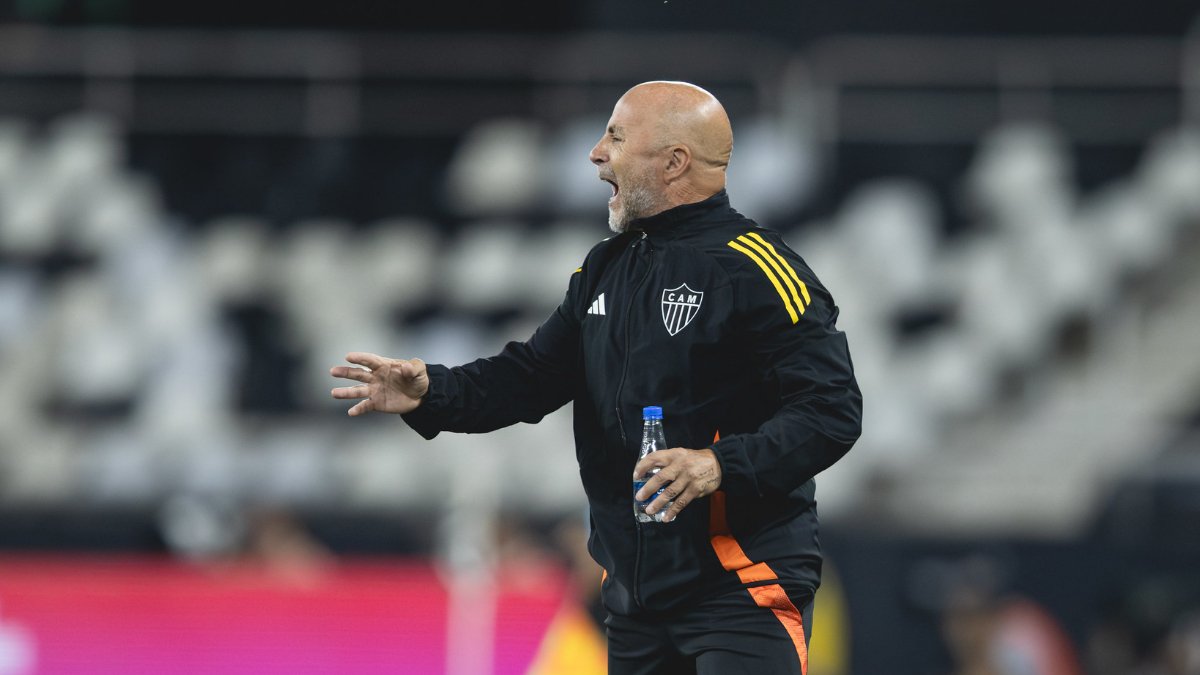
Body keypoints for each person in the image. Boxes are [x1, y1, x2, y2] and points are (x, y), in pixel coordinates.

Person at [330, 81, 862, 675]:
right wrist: (432, 391)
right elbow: (531, 376)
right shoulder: (604, 267)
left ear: (674, 162)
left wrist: (719, 467)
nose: (595, 153)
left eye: (615, 136)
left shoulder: (761, 270)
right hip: (635, 598)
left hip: (741, 588)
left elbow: (832, 410)